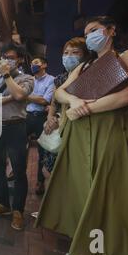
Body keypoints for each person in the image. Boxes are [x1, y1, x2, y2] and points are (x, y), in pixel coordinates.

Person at [35, 16, 128, 255]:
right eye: (87, 33)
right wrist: (73, 101)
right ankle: (93, 242)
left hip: (112, 129)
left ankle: (115, 248)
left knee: (114, 188)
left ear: (112, 30)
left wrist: (86, 108)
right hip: (82, 133)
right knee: (86, 185)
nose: (90, 36)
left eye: (94, 30)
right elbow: (60, 92)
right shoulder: (84, 67)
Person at [0, 43, 34, 231]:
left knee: (19, 171)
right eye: (4, 57)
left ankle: (18, 211)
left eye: (11, 57)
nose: (6, 60)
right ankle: (4, 204)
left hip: (16, 127)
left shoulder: (26, 78)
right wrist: (9, 98)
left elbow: (20, 94)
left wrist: (6, 76)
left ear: (19, 59)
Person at [42, 37, 90, 175]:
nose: (69, 56)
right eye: (66, 53)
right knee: (49, 171)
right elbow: (53, 103)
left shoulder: (88, 78)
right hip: (58, 129)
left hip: (78, 130)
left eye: (75, 52)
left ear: (85, 56)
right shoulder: (60, 79)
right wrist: (50, 117)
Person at [25, 57, 55, 195]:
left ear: (45, 64)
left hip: (41, 118)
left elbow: (45, 100)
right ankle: (17, 172)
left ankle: (40, 181)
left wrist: (24, 94)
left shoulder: (51, 80)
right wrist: (31, 97)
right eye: (32, 63)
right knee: (19, 147)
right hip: (27, 116)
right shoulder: (30, 80)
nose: (33, 65)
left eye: (36, 63)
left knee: (42, 151)